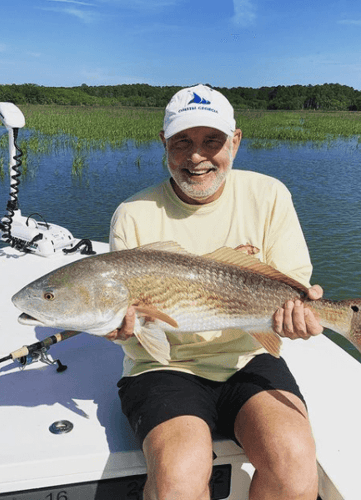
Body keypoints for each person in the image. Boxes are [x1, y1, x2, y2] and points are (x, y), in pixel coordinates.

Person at [107, 84, 324, 500]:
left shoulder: (269, 195)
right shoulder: (132, 215)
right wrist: (121, 327)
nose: (196, 156)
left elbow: (294, 286)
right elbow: (132, 320)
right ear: (164, 144)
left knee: (295, 462)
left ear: (236, 141)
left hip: (249, 355)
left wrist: (298, 319)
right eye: (182, 142)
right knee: (177, 481)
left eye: (212, 141)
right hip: (165, 366)